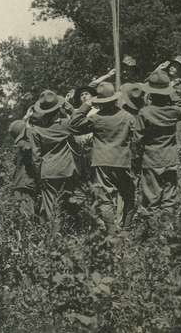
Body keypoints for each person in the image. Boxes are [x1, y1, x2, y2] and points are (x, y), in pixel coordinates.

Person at [70, 81, 136, 233]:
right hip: (122, 161)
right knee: (129, 196)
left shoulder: (96, 119)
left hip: (101, 162)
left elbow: (73, 125)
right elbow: (138, 138)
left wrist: (86, 105)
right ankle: (126, 230)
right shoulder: (127, 116)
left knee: (105, 200)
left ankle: (112, 234)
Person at [135, 70, 181, 214]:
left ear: (151, 93)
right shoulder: (174, 111)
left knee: (152, 200)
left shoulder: (145, 113)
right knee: (169, 199)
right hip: (170, 157)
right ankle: (166, 229)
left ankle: (152, 230)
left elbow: (137, 138)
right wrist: (173, 93)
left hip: (151, 158)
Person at [29, 90, 81, 223]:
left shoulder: (35, 130)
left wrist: (38, 174)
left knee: (49, 206)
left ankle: (52, 235)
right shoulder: (65, 125)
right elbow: (80, 121)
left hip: (48, 171)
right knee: (65, 202)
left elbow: (36, 157)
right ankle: (66, 230)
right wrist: (71, 109)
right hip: (66, 169)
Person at [8, 119, 38, 217]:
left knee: (23, 213)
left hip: (21, 183)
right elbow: (30, 148)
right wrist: (29, 130)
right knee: (27, 214)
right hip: (25, 183)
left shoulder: (19, 143)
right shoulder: (23, 144)